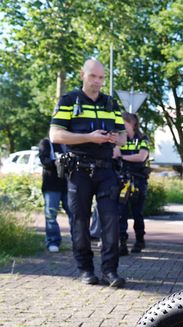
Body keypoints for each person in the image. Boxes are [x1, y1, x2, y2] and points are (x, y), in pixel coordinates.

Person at [49, 59, 127, 288]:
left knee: (111, 221)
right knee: (80, 222)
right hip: (78, 170)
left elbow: (123, 137)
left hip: (105, 170)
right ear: (83, 74)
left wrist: (114, 139)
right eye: (93, 76)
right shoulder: (68, 100)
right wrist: (89, 137)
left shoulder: (110, 103)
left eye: (102, 78)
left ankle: (110, 271)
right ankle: (85, 270)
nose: (98, 82)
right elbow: (56, 135)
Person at [116, 112, 150, 255]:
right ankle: (122, 243)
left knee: (137, 212)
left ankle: (139, 240)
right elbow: (114, 153)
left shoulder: (142, 138)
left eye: (123, 122)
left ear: (131, 123)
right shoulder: (119, 138)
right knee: (121, 212)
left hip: (138, 179)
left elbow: (142, 157)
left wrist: (123, 157)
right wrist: (127, 157)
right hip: (122, 179)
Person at [37, 137, 71, 252]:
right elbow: (44, 161)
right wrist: (57, 162)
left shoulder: (68, 142)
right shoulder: (46, 143)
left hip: (68, 185)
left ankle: (78, 240)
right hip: (51, 185)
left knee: (75, 214)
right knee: (51, 214)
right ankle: (53, 241)